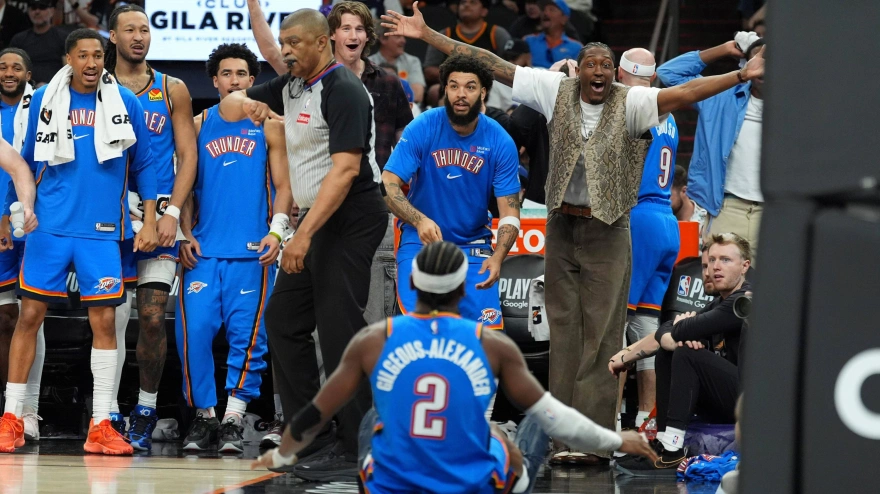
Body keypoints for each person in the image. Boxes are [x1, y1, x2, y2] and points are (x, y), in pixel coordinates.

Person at [381, 5, 765, 464]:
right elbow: (489, 63)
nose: (598, 72)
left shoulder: (634, 101)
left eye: (606, 65)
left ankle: (597, 441)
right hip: (562, 226)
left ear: (614, 73)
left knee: (603, 337)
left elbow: (686, 93)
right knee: (562, 334)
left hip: (609, 228)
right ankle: (562, 437)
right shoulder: (552, 89)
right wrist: (427, 34)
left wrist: (740, 75)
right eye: (591, 66)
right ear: (579, 70)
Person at [251, 241, 659, 492]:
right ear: (464, 289)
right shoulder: (493, 345)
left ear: (412, 286)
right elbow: (558, 419)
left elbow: (317, 411)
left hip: (394, 486)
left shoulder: (375, 338)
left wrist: (284, 457)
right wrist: (617, 440)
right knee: (535, 418)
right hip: (469, 486)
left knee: (373, 416)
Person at [220, 8, 388, 480]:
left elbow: (346, 171)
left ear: (322, 42)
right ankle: (309, 433)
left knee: (338, 329)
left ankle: (360, 441)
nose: (286, 50)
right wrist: (249, 106)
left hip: (351, 217)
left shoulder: (345, 89)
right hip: (317, 218)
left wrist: (302, 237)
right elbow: (230, 105)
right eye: (282, 42)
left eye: (294, 42)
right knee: (283, 321)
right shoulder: (291, 85)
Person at [0, 28, 158, 455]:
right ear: (68, 58)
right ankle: (13, 415)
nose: (91, 63)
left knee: (105, 324)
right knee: (28, 316)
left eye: (97, 55)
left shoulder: (126, 102)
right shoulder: (41, 102)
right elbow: (20, 162)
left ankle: (102, 423)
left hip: (101, 232)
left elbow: (145, 164)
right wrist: (13, 210)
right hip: (49, 229)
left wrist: (152, 217)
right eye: (83, 55)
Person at [173, 43, 292, 454]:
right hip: (203, 250)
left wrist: (277, 233)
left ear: (252, 79)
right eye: (226, 73)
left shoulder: (269, 125)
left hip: (251, 251)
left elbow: (284, 187)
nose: (234, 81)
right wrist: (184, 232)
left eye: (241, 73)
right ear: (214, 80)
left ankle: (233, 418)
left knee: (249, 339)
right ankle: (204, 417)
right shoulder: (199, 122)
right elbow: (184, 186)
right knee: (194, 333)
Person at [103, 3, 198, 450]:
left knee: (154, 319)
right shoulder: (97, 86)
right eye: (130, 30)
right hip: (109, 218)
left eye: (145, 29)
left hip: (159, 217)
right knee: (109, 320)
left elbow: (188, 156)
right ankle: (105, 412)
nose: (139, 37)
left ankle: (145, 408)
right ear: (113, 37)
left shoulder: (172, 88)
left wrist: (174, 214)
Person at [383, 54, 521, 332]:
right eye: (454, 86)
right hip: (421, 243)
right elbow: (387, 184)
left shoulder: (499, 140)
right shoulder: (423, 126)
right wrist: (419, 220)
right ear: (444, 89)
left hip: (474, 245)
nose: (461, 94)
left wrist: (498, 256)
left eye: (470, 87)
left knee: (485, 337)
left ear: (483, 93)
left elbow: (510, 212)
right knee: (419, 329)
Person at [615, 233, 750, 471]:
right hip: (728, 394)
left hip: (752, 399)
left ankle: (673, 448)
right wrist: (672, 338)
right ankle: (665, 439)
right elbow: (670, 327)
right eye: (711, 261)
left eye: (726, 260)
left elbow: (685, 327)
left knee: (687, 353)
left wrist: (674, 337)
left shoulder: (744, 300)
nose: (715, 267)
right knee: (677, 350)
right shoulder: (719, 302)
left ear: (744, 266)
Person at [614, 47, 680, 437]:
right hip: (667, 220)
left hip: (638, 217)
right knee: (646, 327)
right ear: (652, 76)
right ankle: (646, 421)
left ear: (621, 73)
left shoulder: (629, 104)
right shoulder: (667, 111)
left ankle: (609, 423)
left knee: (617, 325)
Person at [657, 36, 765, 256]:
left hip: (775, 213)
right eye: (757, 60)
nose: (762, 68)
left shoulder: (798, 105)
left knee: (775, 287)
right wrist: (723, 49)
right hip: (727, 207)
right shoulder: (719, 96)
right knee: (721, 285)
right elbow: (669, 73)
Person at [0, 48, 43, 443]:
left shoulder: (43, 105)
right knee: (6, 319)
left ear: (28, 73)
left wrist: (19, 212)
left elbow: (25, 169)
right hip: (1, 222)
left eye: (16, 67)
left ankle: (27, 409)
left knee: (29, 313)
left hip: (30, 221)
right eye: (2, 67)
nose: (9, 73)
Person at [422, 0, 512, 93]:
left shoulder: (496, 33)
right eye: (463, 2)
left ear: (484, 11)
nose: (466, 5)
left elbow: (510, 66)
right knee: (434, 90)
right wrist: (459, 78)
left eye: (473, 2)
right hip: (452, 86)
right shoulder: (444, 34)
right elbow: (429, 70)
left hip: (491, 86)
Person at [9, 0, 68, 86]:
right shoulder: (19, 39)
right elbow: (11, 70)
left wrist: (50, 87)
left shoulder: (63, 38)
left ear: (52, 11)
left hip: (56, 89)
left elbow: (68, 71)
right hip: (24, 90)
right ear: (28, 12)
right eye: (33, 8)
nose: (37, 11)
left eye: (42, 7)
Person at [370, 21, 426, 104]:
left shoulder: (413, 62)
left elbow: (417, 95)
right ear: (383, 39)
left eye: (403, 36)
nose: (403, 41)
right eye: (398, 36)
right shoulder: (368, 63)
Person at [523, 0, 583, 69]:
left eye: (551, 10)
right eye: (543, 10)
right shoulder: (528, 41)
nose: (545, 13)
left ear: (564, 19)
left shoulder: (576, 47)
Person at [509, 0, 580, 42]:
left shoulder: (562, 25)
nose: (530, 7)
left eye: (535, 3)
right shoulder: (520, 24)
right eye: (528, 2)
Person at [671, 165, 709, 239]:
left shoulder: (706, 222)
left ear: (684, 191)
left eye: (668, 196)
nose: (663, 201)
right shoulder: (662, 222)